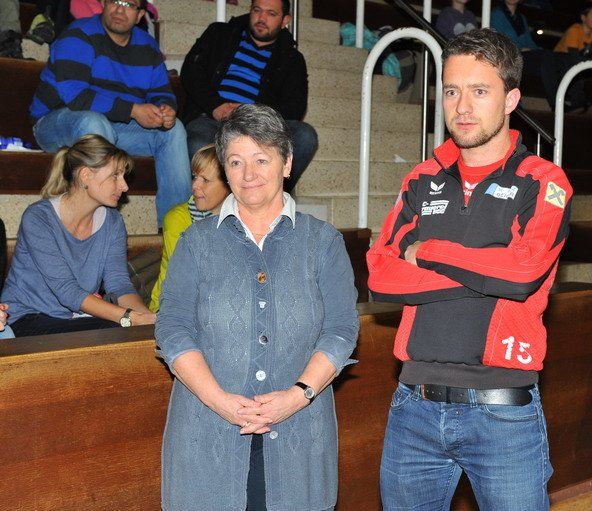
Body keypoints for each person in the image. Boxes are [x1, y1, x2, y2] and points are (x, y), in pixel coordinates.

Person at [369, 28, 571, 510]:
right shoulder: (421, 179)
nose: (462, 107)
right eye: (452, 91)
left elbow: (522, 274)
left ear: (510, 99)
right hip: (413, 409)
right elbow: (380, 276)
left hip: (503, 416)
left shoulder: (542, 180)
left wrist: (429, 250)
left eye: (480, 91)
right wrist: (487, 271)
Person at [155, 104, 359, 511]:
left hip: (299, 434)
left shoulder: (323, 242)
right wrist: (220, 400)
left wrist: (297, 396)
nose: (248, 174)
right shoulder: (195, 243)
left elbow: (341, 330)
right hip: (207, 434)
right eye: (236, 161)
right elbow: (172, 329)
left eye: (261, 159)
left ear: (287, 163)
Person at [29, 0, 192, 226]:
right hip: (54, 123)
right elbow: (76, 97)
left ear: (140, 15)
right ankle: (101, 225)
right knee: (94, 122)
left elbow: (161, 91)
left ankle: (176, 230)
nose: (119, 9)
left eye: (129, 4)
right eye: (114, 1)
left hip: (113, 125)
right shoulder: (78, 34)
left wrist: (165, 109)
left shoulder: (147, 45)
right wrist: (133, 110)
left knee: (174, 131)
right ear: (104, 4)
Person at [0, 135, 156, 337]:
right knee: (114, 331)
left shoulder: (113, 222)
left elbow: (119, 284)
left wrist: (148, 319)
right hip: (25, 318)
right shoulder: (39, 218)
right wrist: (129, 318)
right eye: (115, 176)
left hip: (73, 319)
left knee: (139, 332)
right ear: (85, 175)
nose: (124, 186)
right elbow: (67, 291)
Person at [181, 0, 318, 193]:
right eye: (257, 10)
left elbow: (295, 106)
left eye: (271, 13)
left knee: (305, 136)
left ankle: (268, 198)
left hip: (260, 127)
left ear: (285, 20)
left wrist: (252, 114)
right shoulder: (220, 34)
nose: (262, 18)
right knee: (198, 143)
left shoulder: (292, 59)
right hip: (213, 119)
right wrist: (216, 106)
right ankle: (215, 201)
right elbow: (191, 72)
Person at [148, 144, 230, 312]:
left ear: (229, 184)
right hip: (170, 310)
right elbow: (186, 279)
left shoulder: (241, 219)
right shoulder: (177, 219)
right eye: (194, 177)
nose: (195, 186)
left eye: (205, 180)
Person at [542, 1, 592, 115]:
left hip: (582, 62)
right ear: (583, 17)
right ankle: (578, 104)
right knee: (573, 67)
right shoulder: (574, 30)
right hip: (562, 62)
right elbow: (573, 57)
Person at [490, 0, 546, 86]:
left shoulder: (521, 17)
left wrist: (538, 50)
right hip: (508, 56)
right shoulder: (496, 14)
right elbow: (499, 39)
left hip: (524, 54)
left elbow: (528, 40)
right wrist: (520, 48)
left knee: (547, 57)